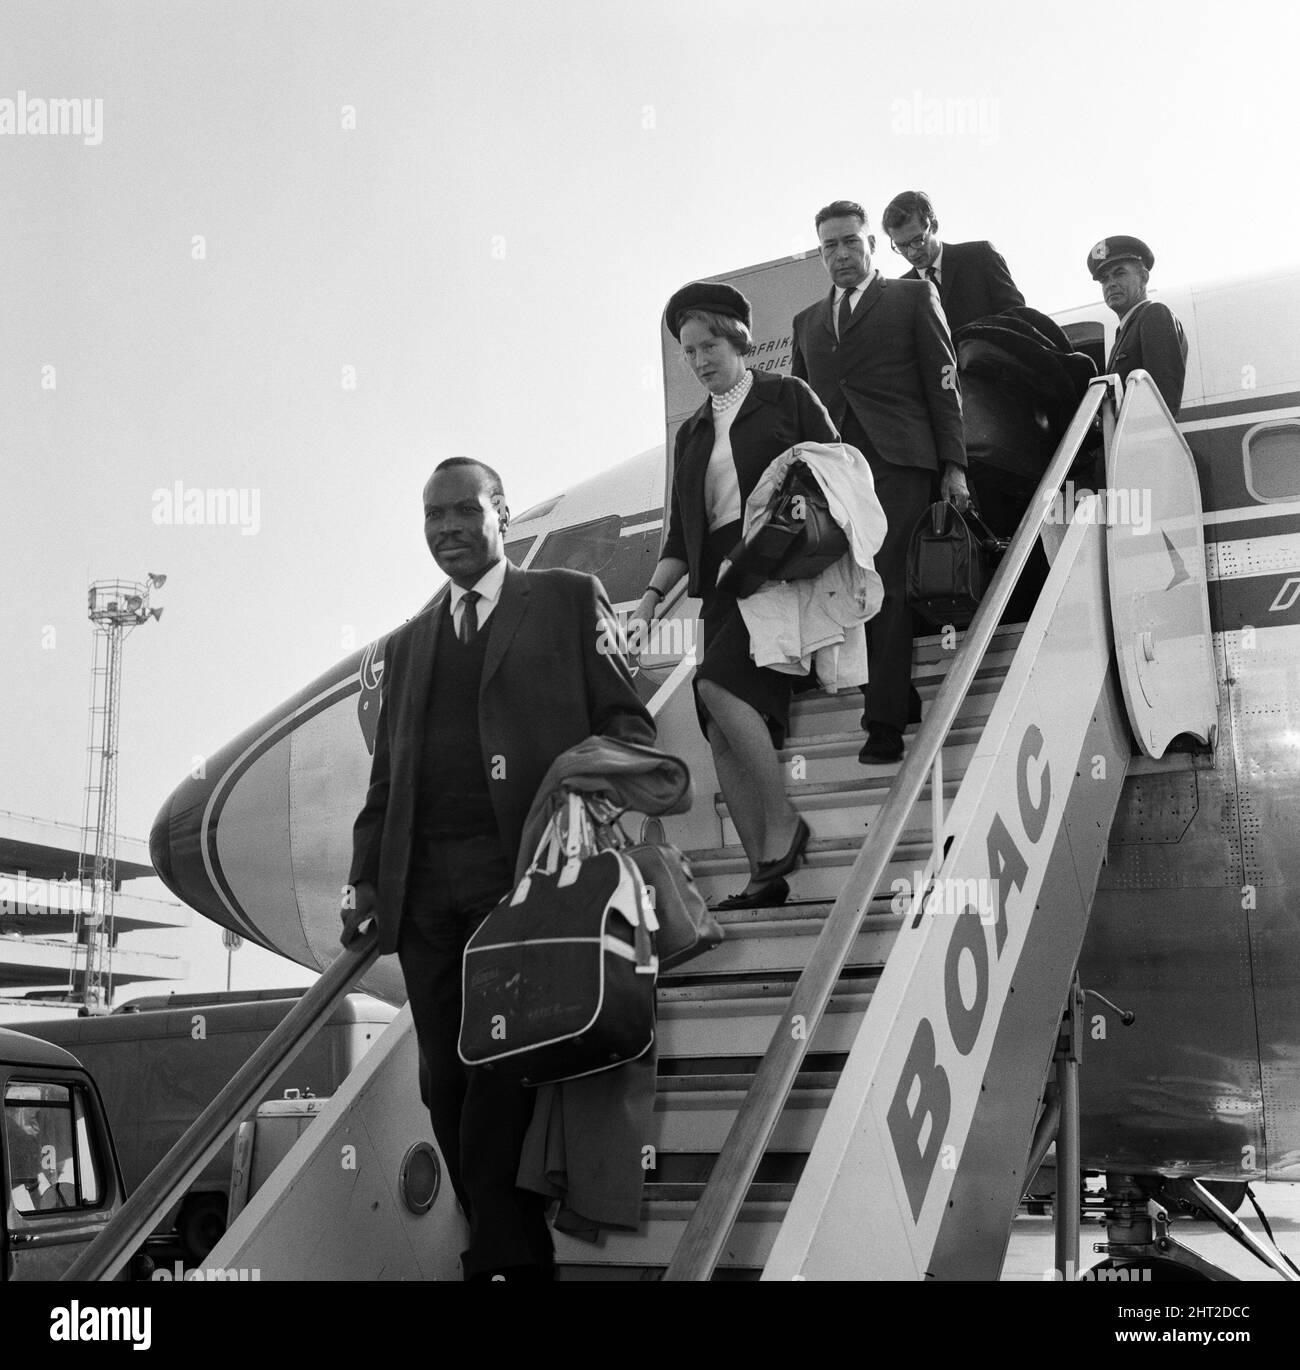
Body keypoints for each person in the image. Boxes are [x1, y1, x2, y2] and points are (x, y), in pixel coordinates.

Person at [339, 457, 654, 1282]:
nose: (444, 529)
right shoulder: (406, 646)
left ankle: (505, 1257)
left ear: (501, 513)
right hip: (423, 894)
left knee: (502, 1066)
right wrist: (365, 884)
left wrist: (575, 785)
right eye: (430, 516)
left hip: (523, 882)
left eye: (460, 512)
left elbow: (630, 722)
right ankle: (512, 1248)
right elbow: (384, 786)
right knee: (445, 1083)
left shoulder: (564, 600)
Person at [631, 282, 836, 909]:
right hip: (716, 581)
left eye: (709, 344)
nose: (699, 360)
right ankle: (762, 872)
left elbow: (841, 469)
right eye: (688, 352)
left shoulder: (785, 395)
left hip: (773, 563)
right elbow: (678, 533)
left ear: (739, 339)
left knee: (717, 684)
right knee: (716, 725)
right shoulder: (691, 432)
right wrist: (647, 601)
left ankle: (785, 827)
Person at [792, 200, 968, 764]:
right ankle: (899, 697)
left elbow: (944, 384)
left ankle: (884, 723)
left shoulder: (913, 298)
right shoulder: (807, 323)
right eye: (828, 246)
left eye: (850, 241)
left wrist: (954, 464)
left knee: (885, 582)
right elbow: (803, 406)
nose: (840, 254)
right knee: (852, 587)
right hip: (837, 474)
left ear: (871, 244)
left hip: (899, 462)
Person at [881, 190, 1024, 332]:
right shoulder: (900, 293)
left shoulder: (981, 256)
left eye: (917, 240)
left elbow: (1018, 316)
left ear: (934, 226)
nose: (911, 253)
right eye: (901, 246)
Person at [1087, 235, 1188, 417]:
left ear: (1143, 277)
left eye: (1119, 273)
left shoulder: (1154, 315)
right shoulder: (1123, 332)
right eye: (1104, 279)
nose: (1111, 284)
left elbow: (1162, 404)